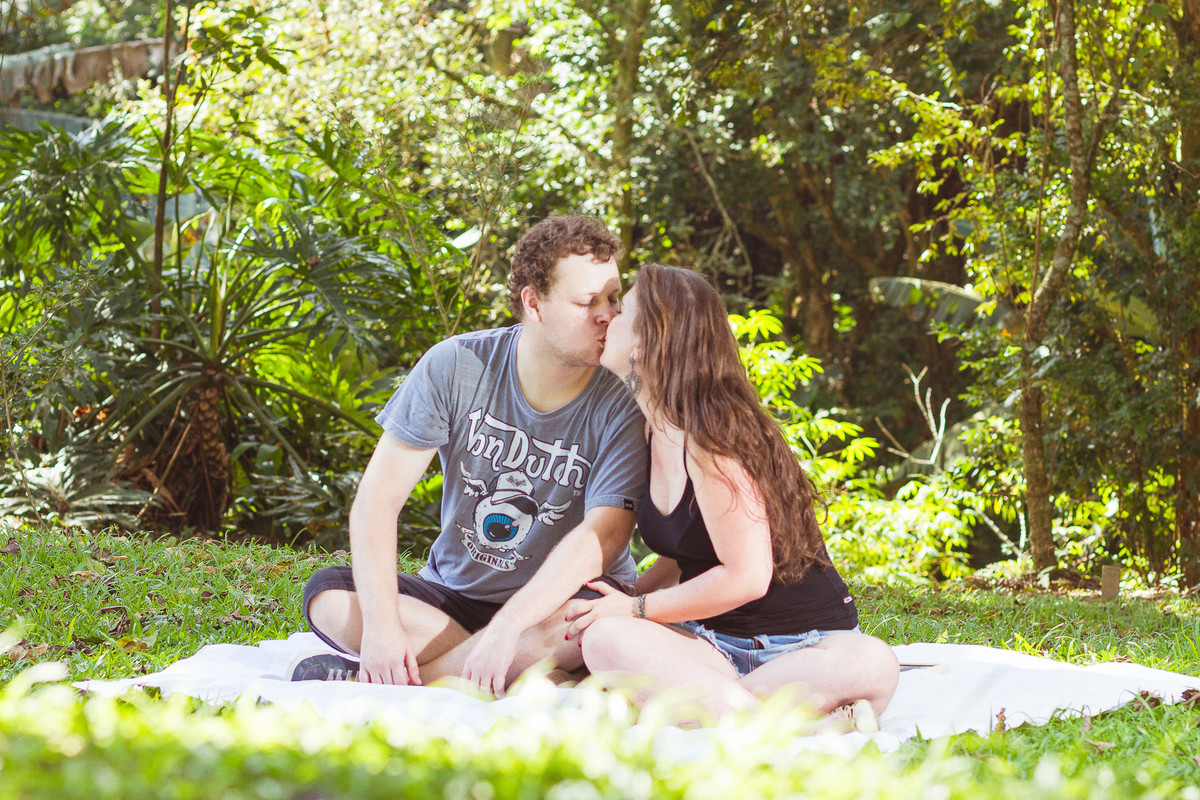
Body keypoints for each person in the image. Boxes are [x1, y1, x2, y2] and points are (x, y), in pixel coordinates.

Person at [290, 215, 647, 694]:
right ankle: (519, 671)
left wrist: (510, 626)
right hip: (455, 599)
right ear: (533, 304)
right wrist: (381, 626)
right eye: (587, 302)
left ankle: (413, 681)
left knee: (592, 627)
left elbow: (603, 537)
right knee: (329, 597)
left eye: (613, 299)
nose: (607, 315)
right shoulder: (457, 364)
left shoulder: (625, 398)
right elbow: (378, 498)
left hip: (561, 605)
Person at [563, 264, 899, 729]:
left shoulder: (714, 438)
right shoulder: (649, 429)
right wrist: (628, 597)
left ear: (647, 343)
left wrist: (636, 608)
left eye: (621, 310)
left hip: (805, 649)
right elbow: (691, 548)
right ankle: (787, 725)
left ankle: (728, 713)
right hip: (716, 647)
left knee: (873, 663)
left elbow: (746, 578)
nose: (607, 317)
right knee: (604, 638)